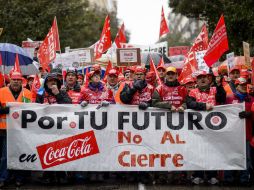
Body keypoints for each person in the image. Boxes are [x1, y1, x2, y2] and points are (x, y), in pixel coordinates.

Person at [186, 70, 226, 185]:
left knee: (212, 151)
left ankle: (212, 175)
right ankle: (198, 174)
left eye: (204, 77)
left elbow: (222, 98)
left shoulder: (215, 89)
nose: (202, 79)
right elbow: (190, 104)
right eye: (199, 78)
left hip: (214, 128)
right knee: (198, 151)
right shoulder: (193, 92)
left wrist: (219, 85)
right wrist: (204, 106)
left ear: (209, 79)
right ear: (196, 81)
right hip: (197, 128)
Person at [0, 71, 32, 188]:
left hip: (22, 130)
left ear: (21, 81)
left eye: (18, 79)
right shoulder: (1, 92)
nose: (16, 81)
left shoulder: (28, 93)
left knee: (20, 154)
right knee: (5, 156)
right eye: (14, 79)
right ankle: (3, 178)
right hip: (5, 130)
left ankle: (20, 177)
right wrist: (3, 110)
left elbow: (33, 110)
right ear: (10, 80)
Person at [224, 77, 254, 186]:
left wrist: (250, 114)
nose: (244, 86)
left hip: (246, 133)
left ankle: (244, 179)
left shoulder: (251, 99)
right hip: (232, 134)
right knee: (230, 156)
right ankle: (228, 179)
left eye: (245, 85)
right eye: (241, 85)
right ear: (236, 86)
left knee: (246, 158)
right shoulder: (229, 98)